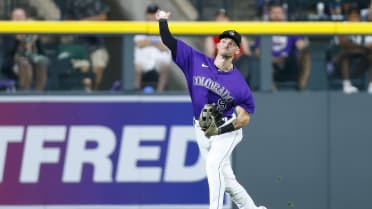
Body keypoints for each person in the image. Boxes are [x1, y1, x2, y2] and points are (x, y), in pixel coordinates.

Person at [156, 10, 267, 209]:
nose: (227, 43)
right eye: (224, 40)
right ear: (217, 43)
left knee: (212, 165)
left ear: (237, 52)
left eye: (232, 43)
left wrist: (220, 131)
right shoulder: (195, 60)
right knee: (228, 184)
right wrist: (163, 20)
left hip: (226, 129)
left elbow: (244, 118)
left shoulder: (239, 84)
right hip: (201, 127)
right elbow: (168, 40)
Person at [254, 3, 311, 91]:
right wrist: (273, 59)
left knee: (306, 55)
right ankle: (272, 93)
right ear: (269, 15)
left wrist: (304, 46)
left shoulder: (291, 29)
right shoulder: (263, 30)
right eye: (274, 13)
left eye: (279, 13)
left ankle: (301, 88)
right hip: (271, 64)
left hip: (289, 62)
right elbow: (257, 52)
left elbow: (301, 45)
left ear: (284, 15)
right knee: (265, 63)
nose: (277, 16)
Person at [62, 0, 110, 90]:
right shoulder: (70, 2)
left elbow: (103, 17)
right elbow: (67, 21)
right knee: (84, 69)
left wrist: (84, 22)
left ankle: (93, 92)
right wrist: (79, 24)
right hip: (78, 42)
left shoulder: (97, 2)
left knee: (99, 66)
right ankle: (87, 93)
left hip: (96, 42)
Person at [1, 8, 48, 91]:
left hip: (32, 58)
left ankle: (40, 92)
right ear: (12, 19)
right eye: (16, 17)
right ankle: (24, 92)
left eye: (21, 17)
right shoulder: (8, 32)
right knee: (24, 64)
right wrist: (17, 40)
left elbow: (41, 51)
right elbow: (8, 53)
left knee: (42, 62)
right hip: (14, 61)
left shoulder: (31, 30)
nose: (19, 19)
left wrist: (37, 39)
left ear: (25, 18)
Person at [331, 3, 372, 94]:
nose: (354, 19)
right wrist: (361, 47)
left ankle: (371, 85)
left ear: (359, 18)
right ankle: (347, 84)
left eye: (356, 16)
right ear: (348, 18)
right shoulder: (343, 25)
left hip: (361, 62)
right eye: (352, 16)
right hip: (341, 63)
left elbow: (370, 45)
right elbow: (343, 43)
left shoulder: (365, 26)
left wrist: (355, 46)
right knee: (345, 53)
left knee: (371, 54)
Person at [204, 9, 252, 83]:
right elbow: (209, 57)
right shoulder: (211, 37)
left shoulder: (238, 34)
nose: (220, 21)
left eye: (223, 18)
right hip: (221, 66)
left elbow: (248, 54)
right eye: (218, 18)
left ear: (228, 20)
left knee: (246, 60)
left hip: (238, 65)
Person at [134, 3, 171, 92]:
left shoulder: (165, 27)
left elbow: (166, 47)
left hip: (159, 60)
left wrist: (148, 42)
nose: (152, 16)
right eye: (150, 13)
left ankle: (159, 94)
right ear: (146, 15)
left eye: (155, 13)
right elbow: (138, 43)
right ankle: (135, 93)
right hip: (142, 60)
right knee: (137, 68)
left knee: (165, 66)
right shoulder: (140, 27)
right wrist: (156, 42)